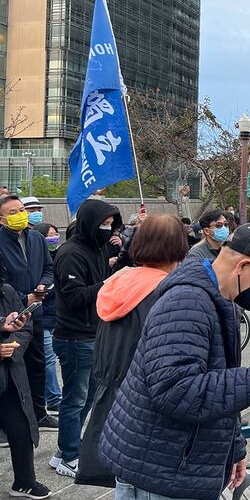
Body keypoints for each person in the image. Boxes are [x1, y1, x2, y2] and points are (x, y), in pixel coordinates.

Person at [98, 223, 250, 500]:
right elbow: (176, 390)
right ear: (243, 267)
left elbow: (217, 379)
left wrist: (234, 447)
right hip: (159, 472)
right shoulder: (188, 301)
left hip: (176, 463)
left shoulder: (216, 298)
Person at [76, 215, 189, 487]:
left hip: (110, 392)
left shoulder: (119, 281)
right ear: (179, 246)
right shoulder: (164, 290)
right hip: (142, 401)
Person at [49, 199, 121, 478]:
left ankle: (65, 449)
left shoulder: (98, 249)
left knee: (88, 398)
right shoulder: (70, 253)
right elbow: (76, 296)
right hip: (75, 337)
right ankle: (69, 455)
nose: (108, 229)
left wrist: (117, 265)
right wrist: (110, 283)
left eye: (111, 224)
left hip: (94, 333)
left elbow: (101, 280)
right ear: (90, 222)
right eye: (104, 223)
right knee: (75, 400)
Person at [0, 195, 56, 432]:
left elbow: (48, 269)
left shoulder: (36, 238)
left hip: (37, 312)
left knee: (38, 363)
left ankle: (39, 412)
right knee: (11, 366)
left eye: (21, 209)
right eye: (13, 212)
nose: (20, 214)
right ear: (1, 219)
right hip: (8, 316)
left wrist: (43, 285)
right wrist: (24, 298)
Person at [1, 255, 52, 499]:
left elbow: (25, 325)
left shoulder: (6, 290)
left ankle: (24, 480)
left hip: (9, 371)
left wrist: (12, 344)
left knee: (20, 428)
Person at [32, 222, 61, 416]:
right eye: (49, 235)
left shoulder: (59, 257)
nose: (53, 238)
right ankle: (54, 398)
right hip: (41, 316)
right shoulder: (35, 261)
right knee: (48, 360)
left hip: (56, 317)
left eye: (56, 234)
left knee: (50, 359)